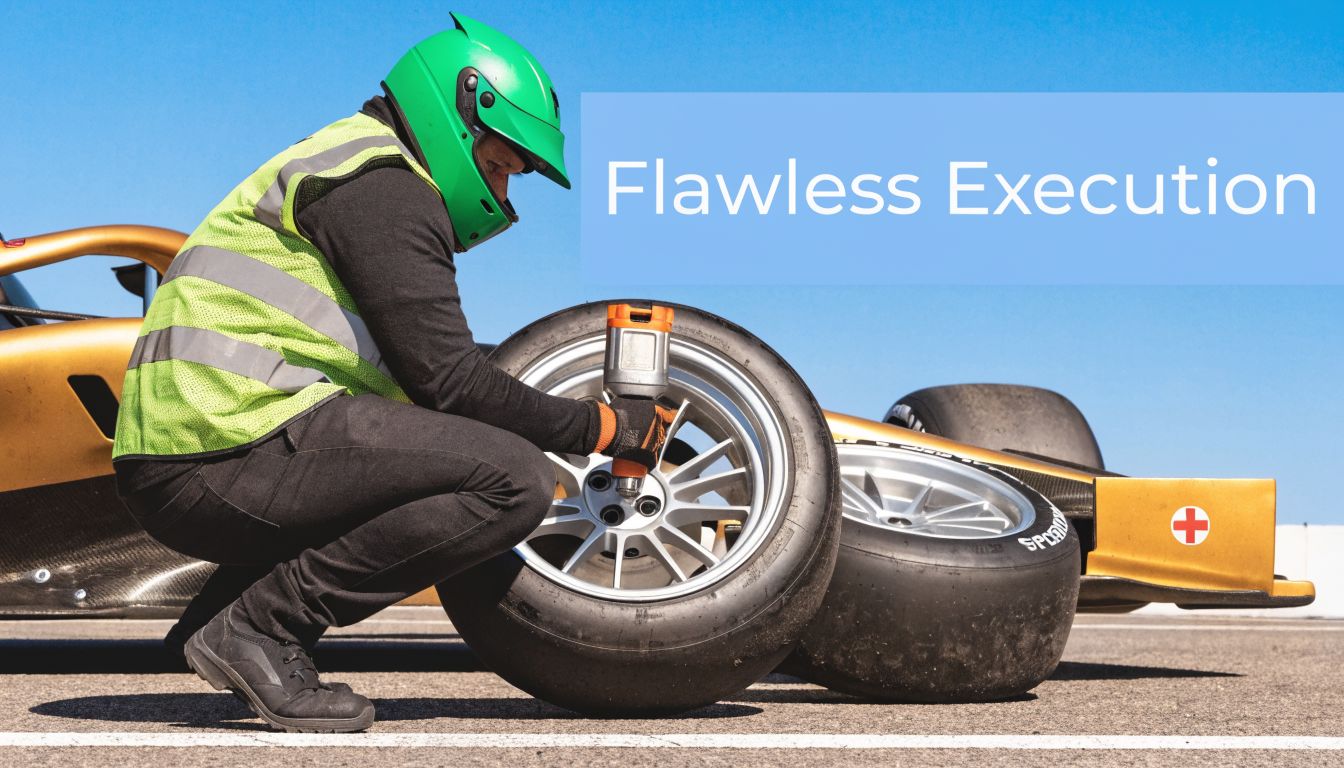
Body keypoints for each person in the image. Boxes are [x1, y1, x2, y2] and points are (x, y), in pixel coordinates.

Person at [111, 13, 675, 734]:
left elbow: (423, 391)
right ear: (460, 113)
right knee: (515, 480)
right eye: (500, 166)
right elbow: (451, 381)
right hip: (224, 443)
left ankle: (223, 617)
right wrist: (601, 427)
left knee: (429, 453)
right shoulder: (385, 189)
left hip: (199, 446)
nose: (504, 193)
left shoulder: (349, 164)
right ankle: (262, 626)